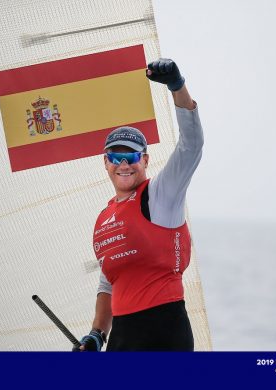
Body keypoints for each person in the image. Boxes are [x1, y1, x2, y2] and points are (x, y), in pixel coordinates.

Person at [74, 58, 203, 351]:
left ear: (144, 160)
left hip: (164, 329)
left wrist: (177, 86)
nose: (123, 164)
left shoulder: (160, 195)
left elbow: (191, 146)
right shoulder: (104, 217)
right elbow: (109, 281)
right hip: (121, 335)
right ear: (105, 163)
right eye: (115, 157)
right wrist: (97, 333)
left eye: (131, 156)